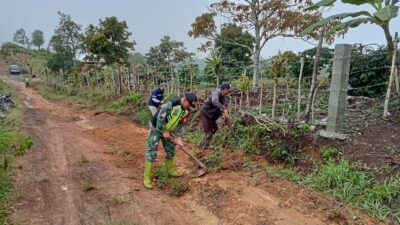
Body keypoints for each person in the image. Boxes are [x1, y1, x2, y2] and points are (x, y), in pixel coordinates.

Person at [143, 92, 198, 189]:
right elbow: (160, 118)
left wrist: (179, 138)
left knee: (171, 150)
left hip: (169, 130)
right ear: (184, 100)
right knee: (151, 151)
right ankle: (146, 177)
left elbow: (181, 125)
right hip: (156, 128)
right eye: (189, 104)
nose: (189, 107)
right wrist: (164, 131)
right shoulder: (171, 104)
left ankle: (170, 170)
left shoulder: (186, 111)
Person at [199, 82, 231, 150]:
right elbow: (215, 102)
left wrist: (224, 114)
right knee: (209, 132)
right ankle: (202, 149)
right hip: (205, 114)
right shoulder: (216, 93)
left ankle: (201, 143)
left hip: (211, 117)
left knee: (215, 129)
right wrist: (224, 109)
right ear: (225, 89)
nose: (229, 91)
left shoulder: (223, 97)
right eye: (228, 89)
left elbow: (222, 107)